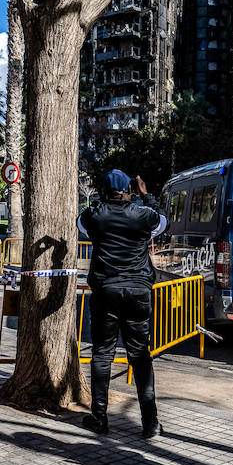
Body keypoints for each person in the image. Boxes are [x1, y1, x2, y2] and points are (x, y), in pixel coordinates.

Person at [76, 170, 169, 438]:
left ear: (103, 191)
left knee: (102, 353)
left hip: (106, 289)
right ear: (129, 189)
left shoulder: (94, 215)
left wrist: (97, 204)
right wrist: (147, 196)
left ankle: (99, 418)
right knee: (141, 356)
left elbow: (79, 223)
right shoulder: (143, 215)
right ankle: (150, 423)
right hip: (139, 289)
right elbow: (163, 223)